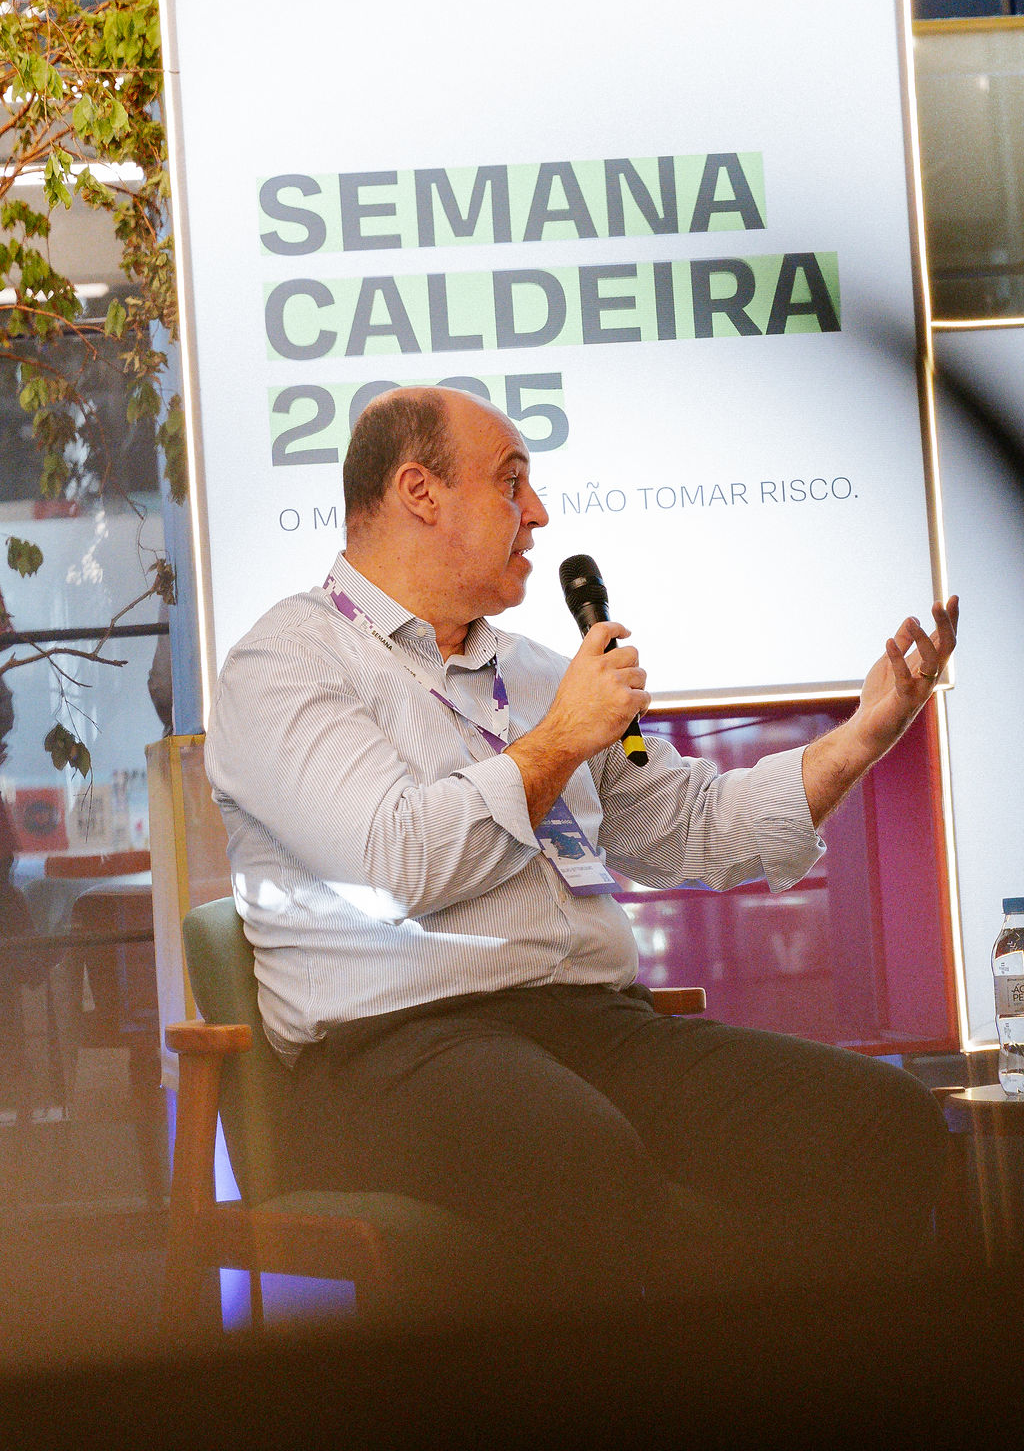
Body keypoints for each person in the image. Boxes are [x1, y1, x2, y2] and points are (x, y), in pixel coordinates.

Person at [204, 386, 959, 1318]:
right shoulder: (287, 663)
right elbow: (390, 864)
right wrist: (560, 739)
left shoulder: (532, 671)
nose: (538, 512)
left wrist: (861, 736)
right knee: (579, 1160)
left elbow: (689, 826)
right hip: (394, 1054)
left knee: (883, 1124)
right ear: (419, 492)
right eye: (510, 482)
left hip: (595, 1031)